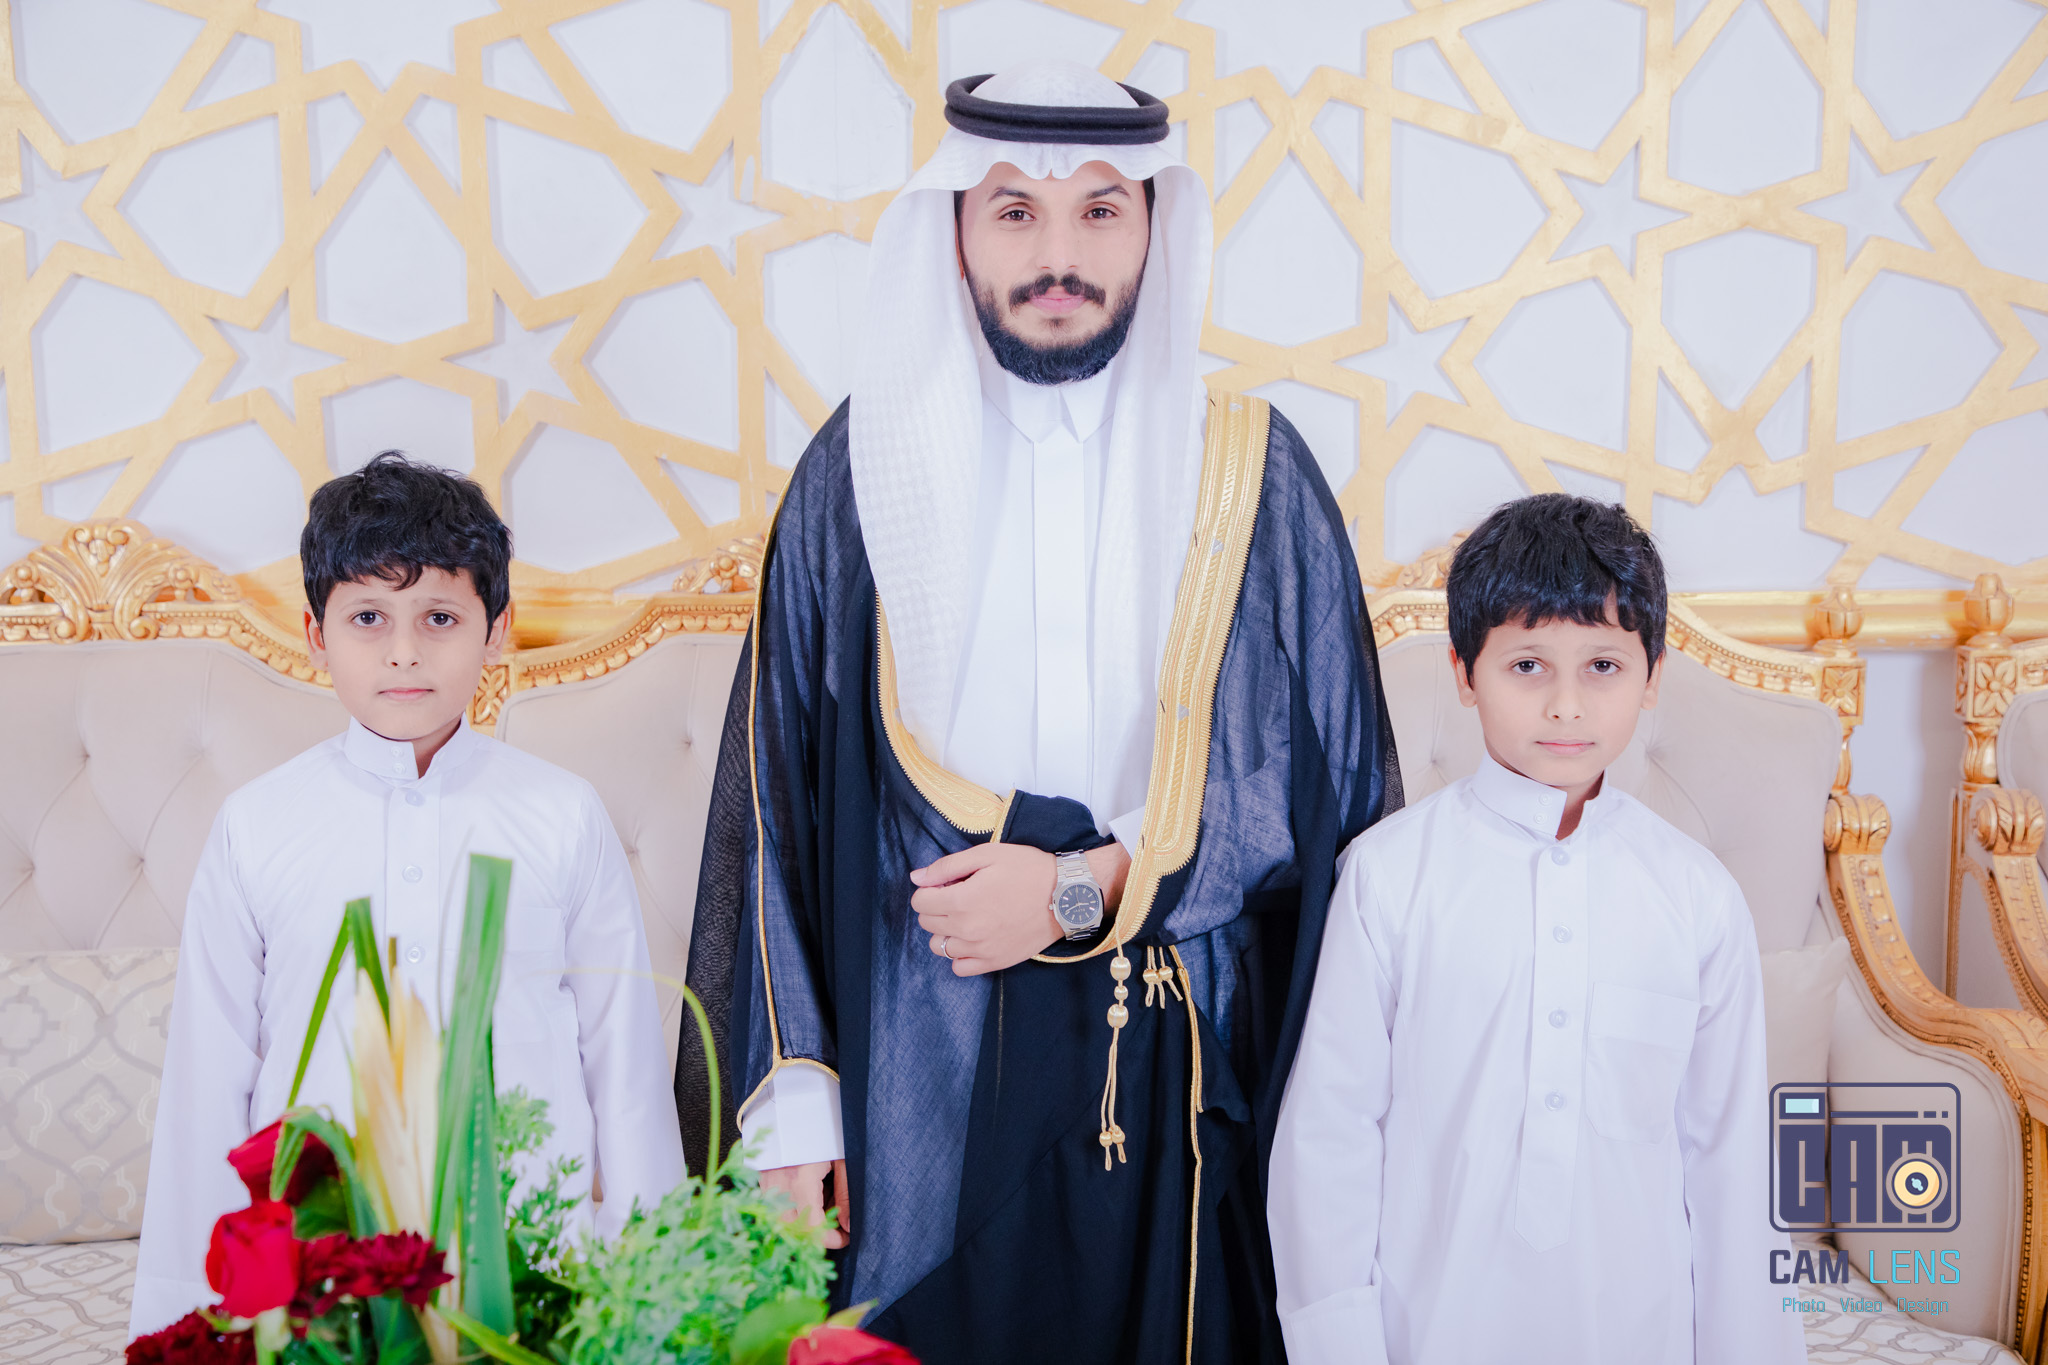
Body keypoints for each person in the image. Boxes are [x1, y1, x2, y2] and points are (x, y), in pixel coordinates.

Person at [678, 59, 1402, 1365]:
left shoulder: (1250, 472)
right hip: (919, 1066)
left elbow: (1322, 793)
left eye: (1099, 211)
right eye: (1014, 210)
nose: (1056, 255)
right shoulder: (858, 468)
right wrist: (793, 1111)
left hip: (1177, 1059)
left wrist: (1084, 888)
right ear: (954, 230)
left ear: (1155, 229)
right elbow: (775, 799)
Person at [130, 452, 684, 1335]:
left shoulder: (564, 814)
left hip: (536, 1268)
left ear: (497, 629)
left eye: (439, 616)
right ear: (316, 634)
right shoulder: (256, 825)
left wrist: (653, 1305)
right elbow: (208, 1081)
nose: (403, 650)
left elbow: (624, 1069)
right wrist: (184, 1324)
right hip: (321, 1286)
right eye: (367, 617)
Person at [1268, 494, 1802, 1365]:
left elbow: (1732, 1164)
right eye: (1527, 665)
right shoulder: (1387, 877)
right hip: (1427, 1333)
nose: (1565, 705)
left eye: (1603, 665)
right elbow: (1329, 1140)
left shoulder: (1698, 896)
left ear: (1652, 676)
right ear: (1464, 671)